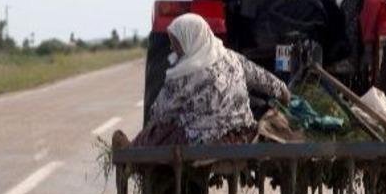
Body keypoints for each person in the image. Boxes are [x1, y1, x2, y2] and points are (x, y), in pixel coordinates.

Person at [113, 13, 290, 148]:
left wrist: (154, 128)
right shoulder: (233, 57)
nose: (172, 47)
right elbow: (266, 80)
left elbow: (160, 114)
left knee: (159, 130)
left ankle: (132, 150)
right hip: (242, 133)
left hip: (202, 140)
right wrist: (284, 93)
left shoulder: (184, 74)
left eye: (176, 42)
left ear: (190, 40)